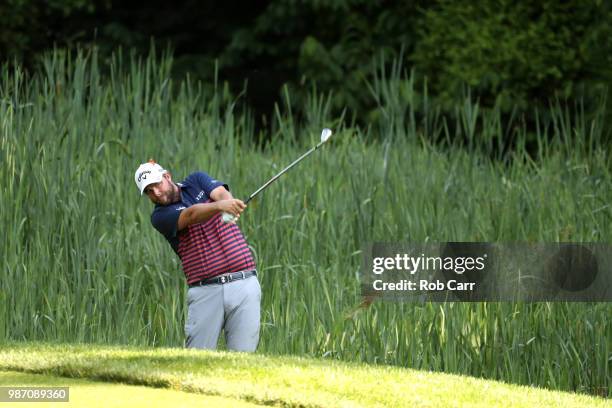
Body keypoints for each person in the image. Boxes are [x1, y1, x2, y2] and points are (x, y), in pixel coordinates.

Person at [134, 160, 261, 352]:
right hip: (206, 291)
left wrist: (229, 203)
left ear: (167, 176)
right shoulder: (159, 217)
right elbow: (191, 215)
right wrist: (220, 207)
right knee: (197, 360)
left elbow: (221, 193)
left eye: (156, 184)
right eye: (149, 191)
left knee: (244, 360)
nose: (156, 193)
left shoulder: (196, 180)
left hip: (244, 283)